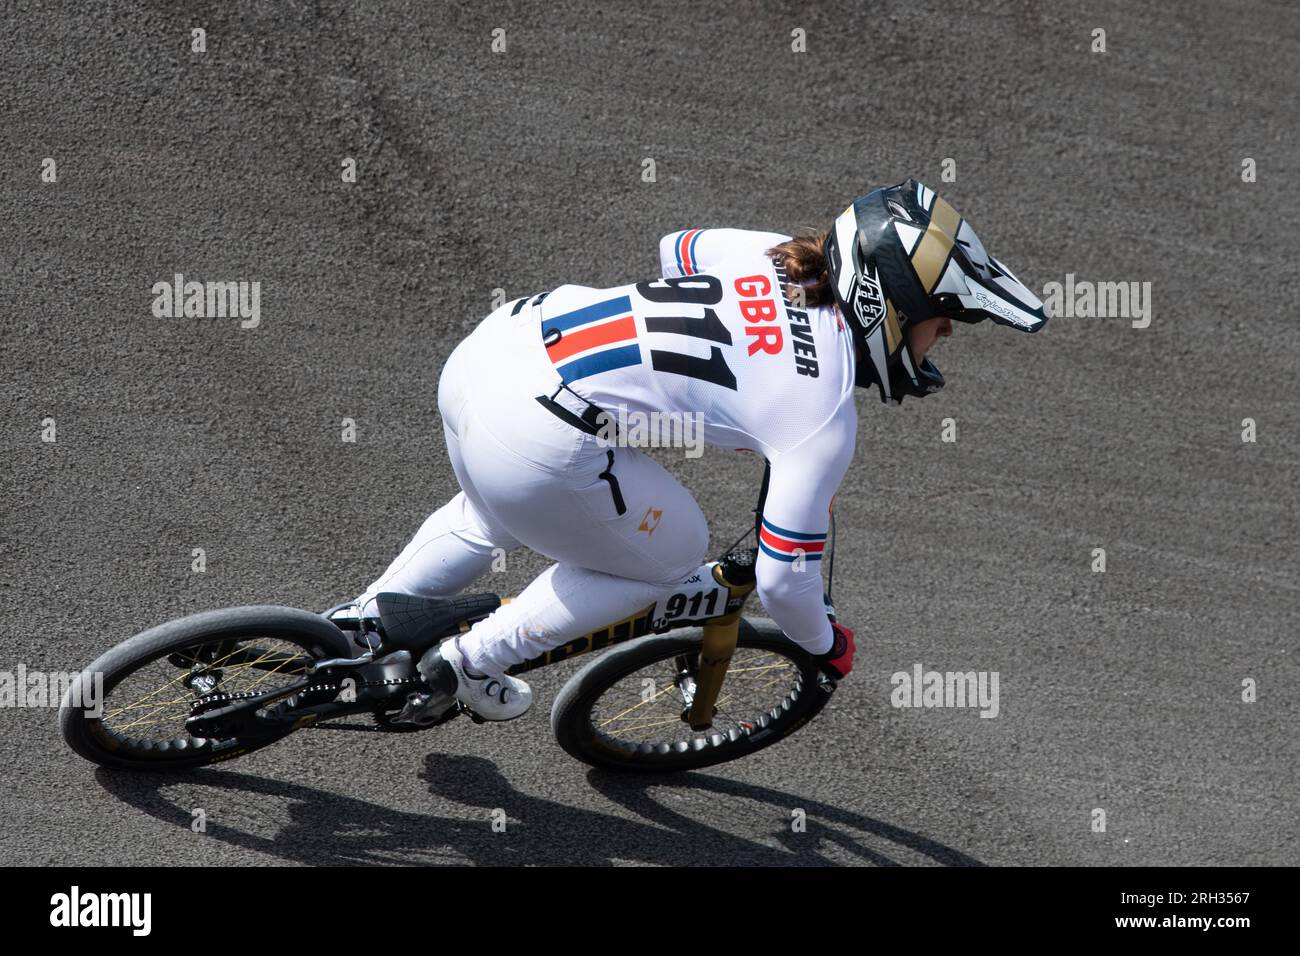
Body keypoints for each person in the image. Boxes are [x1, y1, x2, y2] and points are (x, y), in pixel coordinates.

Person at [353, 178, 1048, 723]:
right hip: (534, 433)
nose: (943, 340)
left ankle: (354, 630)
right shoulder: (822, 417)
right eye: (942, 322)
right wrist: (826, 648)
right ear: (886, 307)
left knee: (489, 515)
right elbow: (782, 583)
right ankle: (470, 663)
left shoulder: (778, 253)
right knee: (674, 553)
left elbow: (678, 248)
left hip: (492, 352)